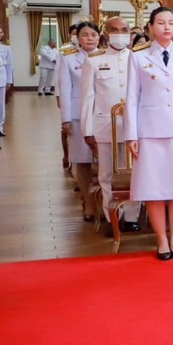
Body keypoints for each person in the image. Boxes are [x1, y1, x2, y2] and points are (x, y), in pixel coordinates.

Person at [123, 7, 173, 260]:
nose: (167, 27)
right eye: (161, 22)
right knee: (154, 187)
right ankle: (161, 240)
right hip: (150, 130)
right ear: (150, 27)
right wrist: (132, 135)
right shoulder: (138, 57)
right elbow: (132, 98)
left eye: (171, 22)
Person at [80, 17, 142, 230]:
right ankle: (112, 216)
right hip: (104, 126)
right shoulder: (94, 60)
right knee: (106, 174)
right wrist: (87, 130)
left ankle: (132, 217)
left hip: (134, 127)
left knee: (135, 171)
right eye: (114, 30)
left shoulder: (138, 58)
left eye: (124, 29)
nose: (120, 33)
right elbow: (88, 97)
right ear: (105, 33)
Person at [57, 22, 100, 216]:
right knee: (82, 161)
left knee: (104, 161)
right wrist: (65, 119)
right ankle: (88, 202)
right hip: (77, 114)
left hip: (102, 114)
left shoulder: (106, 57)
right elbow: (64, 91)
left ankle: (102, 199)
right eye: (85, 35)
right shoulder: (68, 59)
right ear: (77, 38)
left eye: (93, 34)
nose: (90, 38)